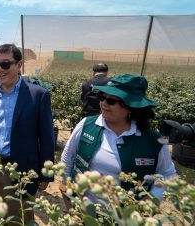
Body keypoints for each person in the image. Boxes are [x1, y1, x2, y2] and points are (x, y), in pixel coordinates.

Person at [61, 74, 176, 202]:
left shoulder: (157, 140)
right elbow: (68, 156)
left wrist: (153, 198)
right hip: (83, 208)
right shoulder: (86, 124)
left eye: (111, 101)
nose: (103, 103)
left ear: (130, 107)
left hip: (127, 218)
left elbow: (168, 174)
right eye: (102, 97)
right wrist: (66, 183)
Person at [0, 44, 54, 224]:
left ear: (19, 65)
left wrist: (46, 173)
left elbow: (46, 138)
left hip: (23, 170)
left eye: (5, 64)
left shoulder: (38, 95)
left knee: (20, 217)